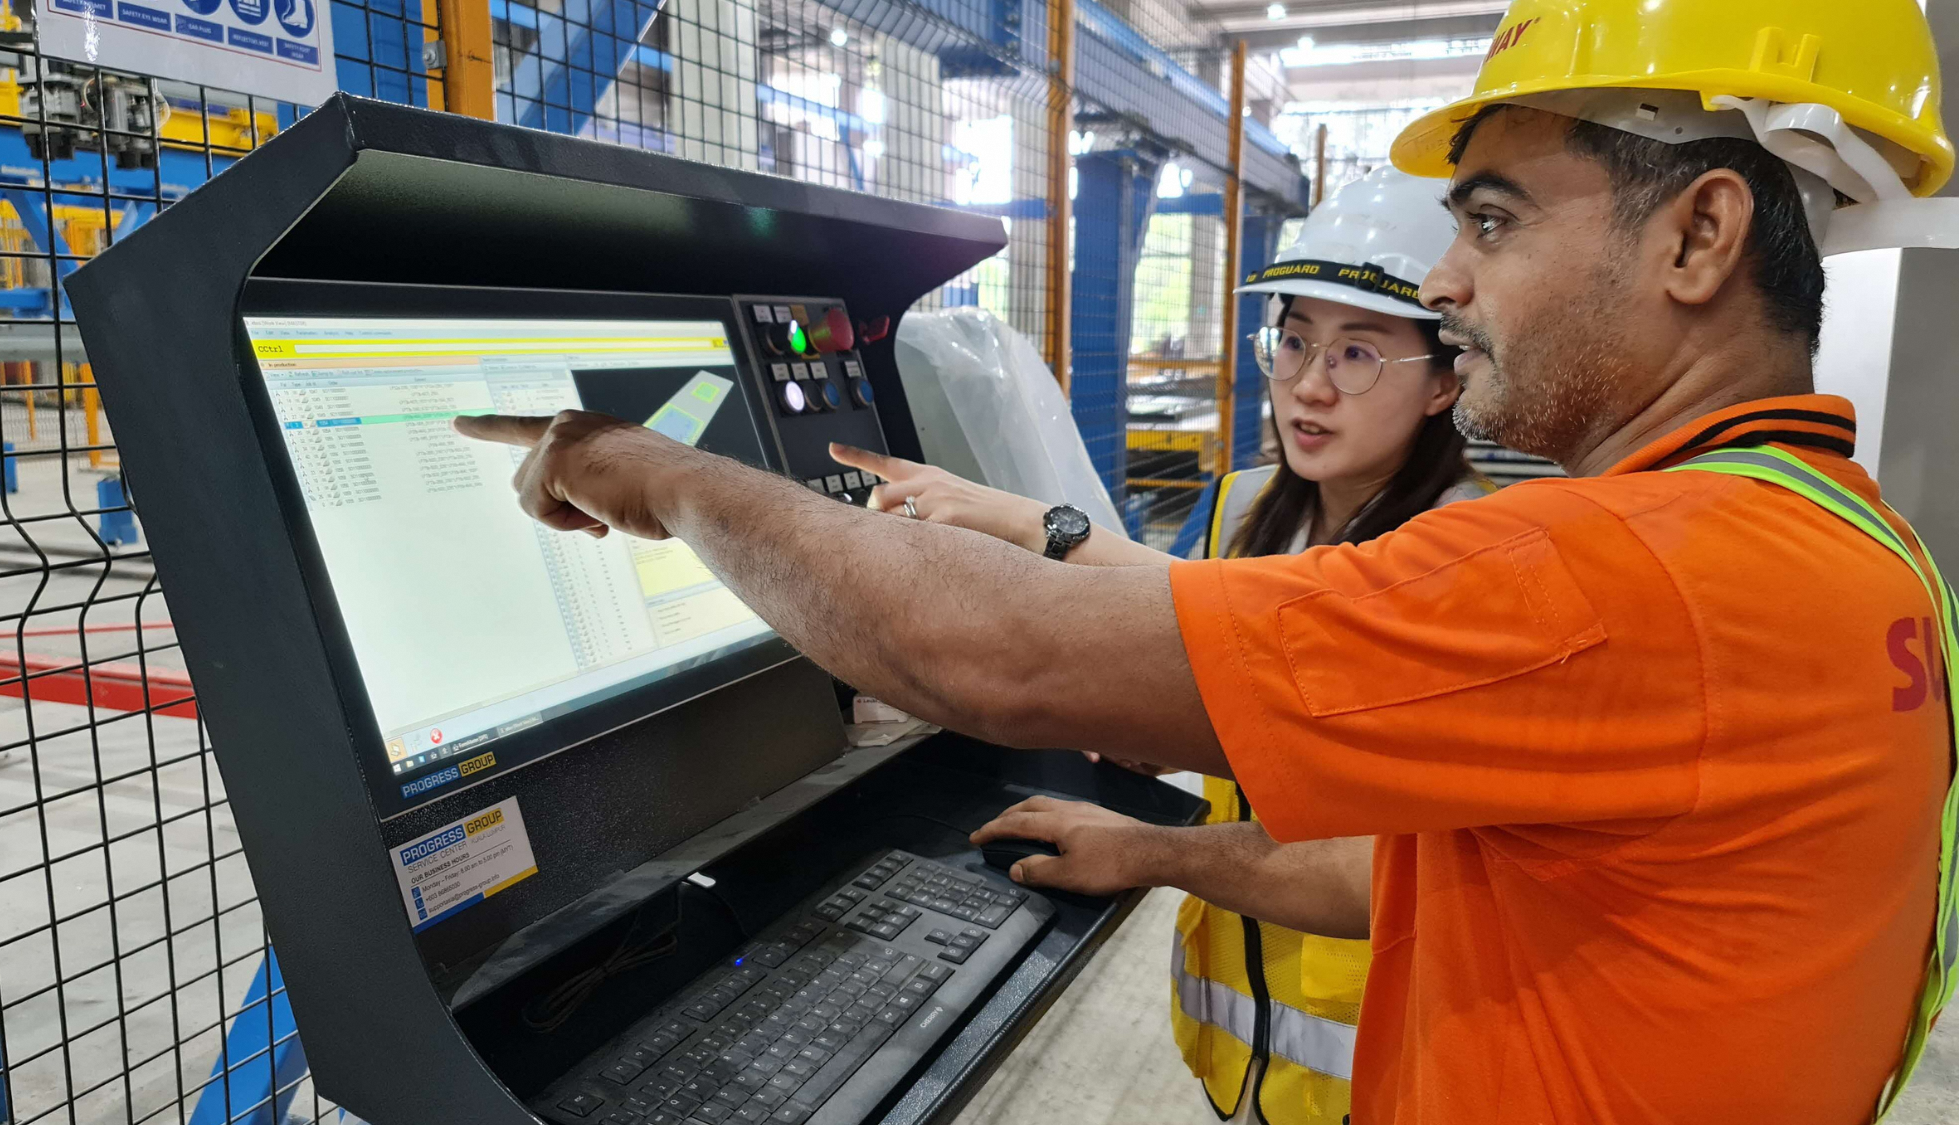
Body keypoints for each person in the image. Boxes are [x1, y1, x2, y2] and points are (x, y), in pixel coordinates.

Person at [455, 1, 1959, 1119]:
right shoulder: (1846, 538)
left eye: (1491, 221)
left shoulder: (1626, 567)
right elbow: (1223, 617)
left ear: (1696, 234)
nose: (1446, 281)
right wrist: (1036, 544)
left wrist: (650, 469)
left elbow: (997, 659)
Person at [828, 166, 1490, 1125]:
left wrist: (1148, 849)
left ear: (1441, 380)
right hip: (1245, 1038)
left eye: (1356, 354)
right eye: (1293, 340)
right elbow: (1220, 645)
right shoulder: (1243, 503)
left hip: (1390, 1065)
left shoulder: (1470, 560)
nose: (1307, 385)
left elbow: (1373, 872)